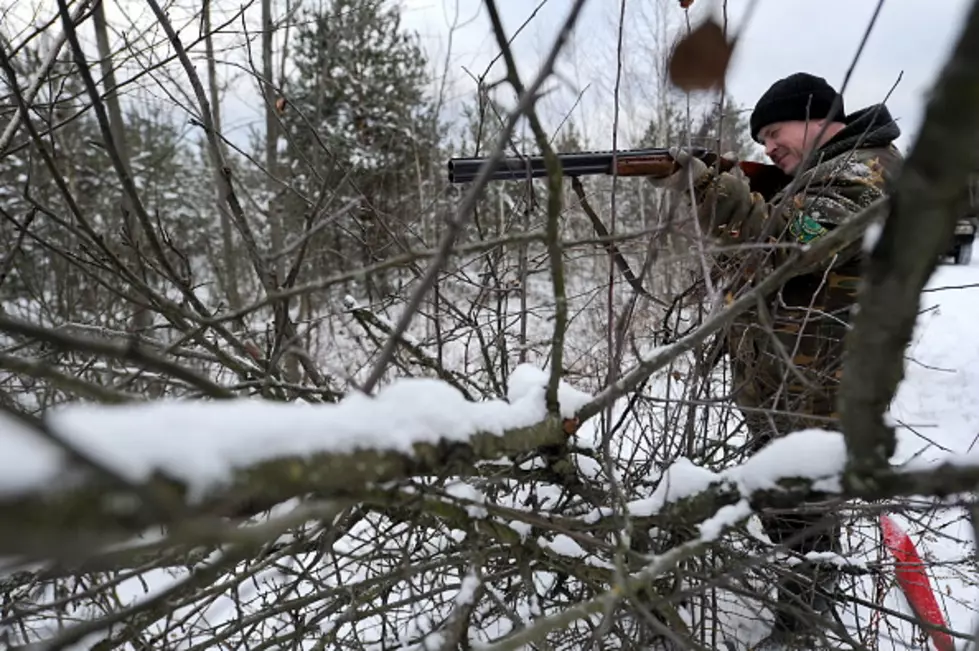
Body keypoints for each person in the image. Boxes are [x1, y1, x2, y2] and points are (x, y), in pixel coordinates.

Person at [661, 72, 904, 640]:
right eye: (761, 139)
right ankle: (805, 614)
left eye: (774, 131)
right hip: (794, 379)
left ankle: (804, 629)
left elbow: (791, 246)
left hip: (818, 383)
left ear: (817, 115)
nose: (767, 147)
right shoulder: (826, 174)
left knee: (805, 518)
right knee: (793, 514)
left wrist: (709, 188)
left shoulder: (864, 170)